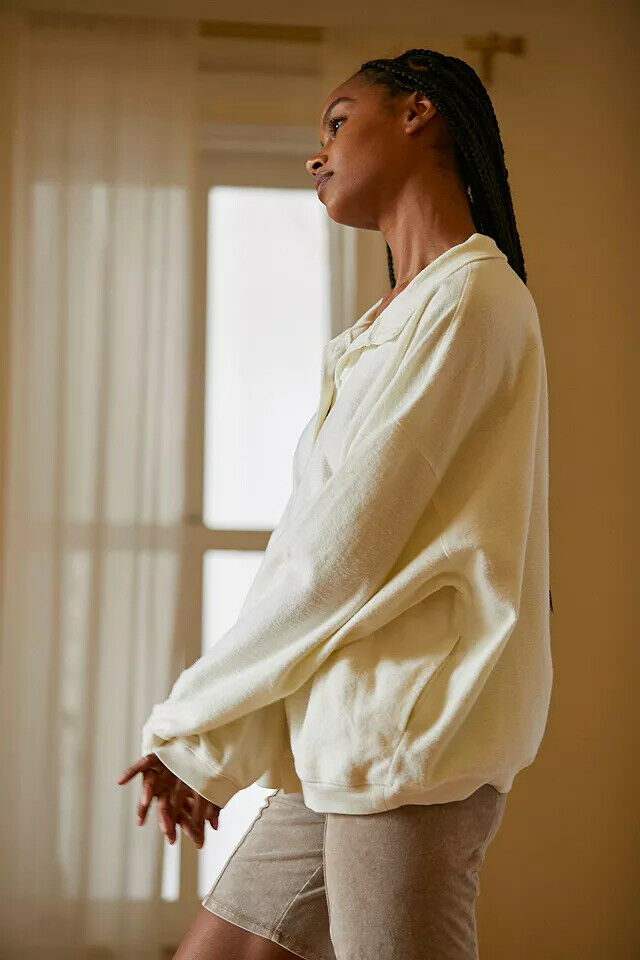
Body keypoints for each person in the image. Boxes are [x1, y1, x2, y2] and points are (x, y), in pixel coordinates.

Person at [118, 48, 553, 959]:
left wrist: (192, 726)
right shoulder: (384, 324)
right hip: (343, 740)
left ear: (418, 113)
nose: (316, 153)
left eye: (338, 121)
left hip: (409, 741)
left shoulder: (472, 297)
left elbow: (335, 557)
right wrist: (219, 751)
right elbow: (317, 560)